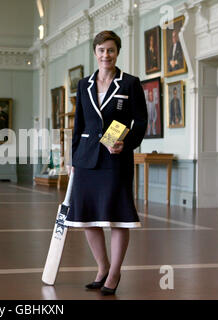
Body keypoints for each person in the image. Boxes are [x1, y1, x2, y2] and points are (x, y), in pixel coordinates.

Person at [65, 30, 147, 296]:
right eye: (101, 50)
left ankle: (114, 273)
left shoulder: (130, 83)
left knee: (117, 217)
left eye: (110, 50)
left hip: (115, 157)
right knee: (88, 218)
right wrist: (73, 158)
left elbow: (141, 122)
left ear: (117, 52)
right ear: (95, 53)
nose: (106, 55)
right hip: (87, 158)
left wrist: (127, 142)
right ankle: (102, 268)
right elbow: (78, 125)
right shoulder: (83, 84)